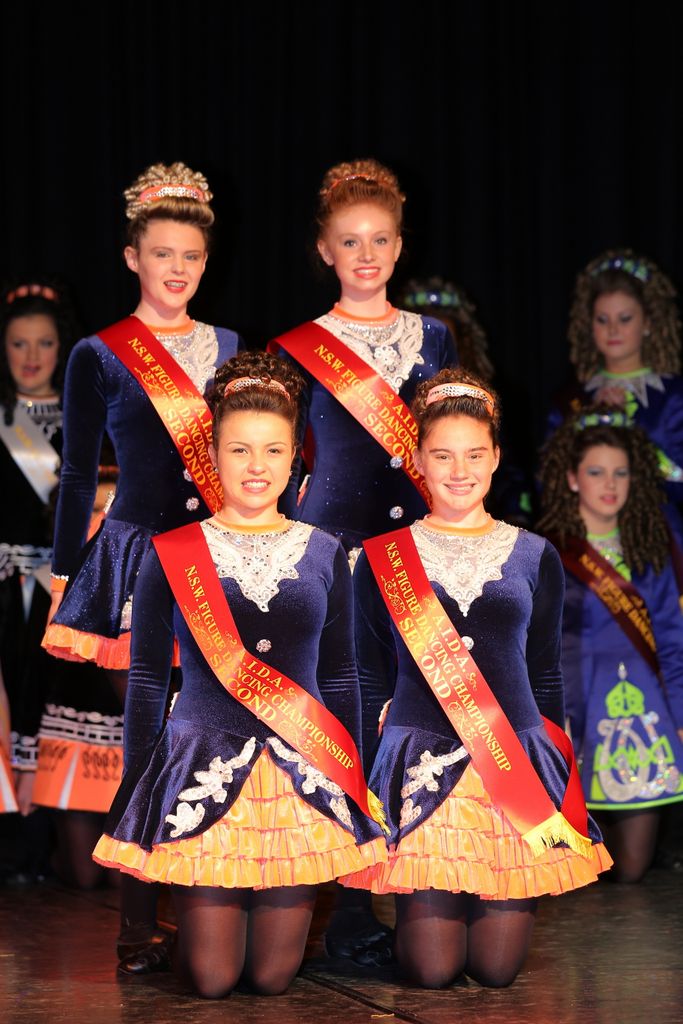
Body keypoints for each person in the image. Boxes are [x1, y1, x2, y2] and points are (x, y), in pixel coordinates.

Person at [93, 352, 387, 999]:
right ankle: (184, 941)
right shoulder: (171, 552)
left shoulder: (325, 552)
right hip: (200, 764)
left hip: (301, 770)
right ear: (213, 457)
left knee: (273, 979)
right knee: (213, 979)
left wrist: (354, 776)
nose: (257, 467)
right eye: (239, 450)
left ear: (294, 459)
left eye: (273, 450)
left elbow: (342, 677)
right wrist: (140, 782)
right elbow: (148, 680)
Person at [343, 368, 611, 989]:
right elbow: (366, 674)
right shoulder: (381, 558)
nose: (458, 470)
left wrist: (557, 775)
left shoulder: (535, 554)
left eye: (473, 454)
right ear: (417, 461)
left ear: (495, 458)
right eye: (442, 455)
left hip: (513, 763)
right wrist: (365, 779)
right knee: (433, 972)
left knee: (496, 972)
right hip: (419, 762)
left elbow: (546, 675)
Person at [41, 162, 241, 971]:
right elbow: (77, 474)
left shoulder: (231, 347)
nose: (176, 268)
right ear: (133, 257)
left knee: (209, 735)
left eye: (190, 256)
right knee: (148, 740)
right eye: (162, 254)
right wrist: (66, 575)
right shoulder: (99, 353)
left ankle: (201, 902)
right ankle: (134, 924)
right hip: (134, 562)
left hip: (216, 558)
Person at [273, 158, 458, 550]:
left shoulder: (433, 336)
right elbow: (286, 458)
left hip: (424, 532)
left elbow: (458, 436)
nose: (367, 255)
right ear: (326, 250)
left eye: (380, 240)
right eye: (350, 242)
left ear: (398, 246)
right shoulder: (300, 348)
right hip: (330, 538)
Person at [537, 408, 683, 882]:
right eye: (596, 472)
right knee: (571, 875)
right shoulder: (546, 553)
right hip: (572, 713)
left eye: (621, 473)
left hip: (644, 715)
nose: (610, 484)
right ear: (572, 479)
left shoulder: (649, 551)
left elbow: (673, 644)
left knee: (632, 871)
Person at [0, 280, 76, 862]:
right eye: (19, 344)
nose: (31, 357)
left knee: (50, 705)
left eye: (44, 343)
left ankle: (42, 844)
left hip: (61, 589)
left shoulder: (84, 419)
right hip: (3, 590)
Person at [549, 249, 683, 527]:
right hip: (586, 540)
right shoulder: (571, 398)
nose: (612, 330)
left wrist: (627, 431)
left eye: (624, 319)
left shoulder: (674, 396)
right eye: (602, 319)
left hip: (660, 536)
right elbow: (550, 481)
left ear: (648, 322)